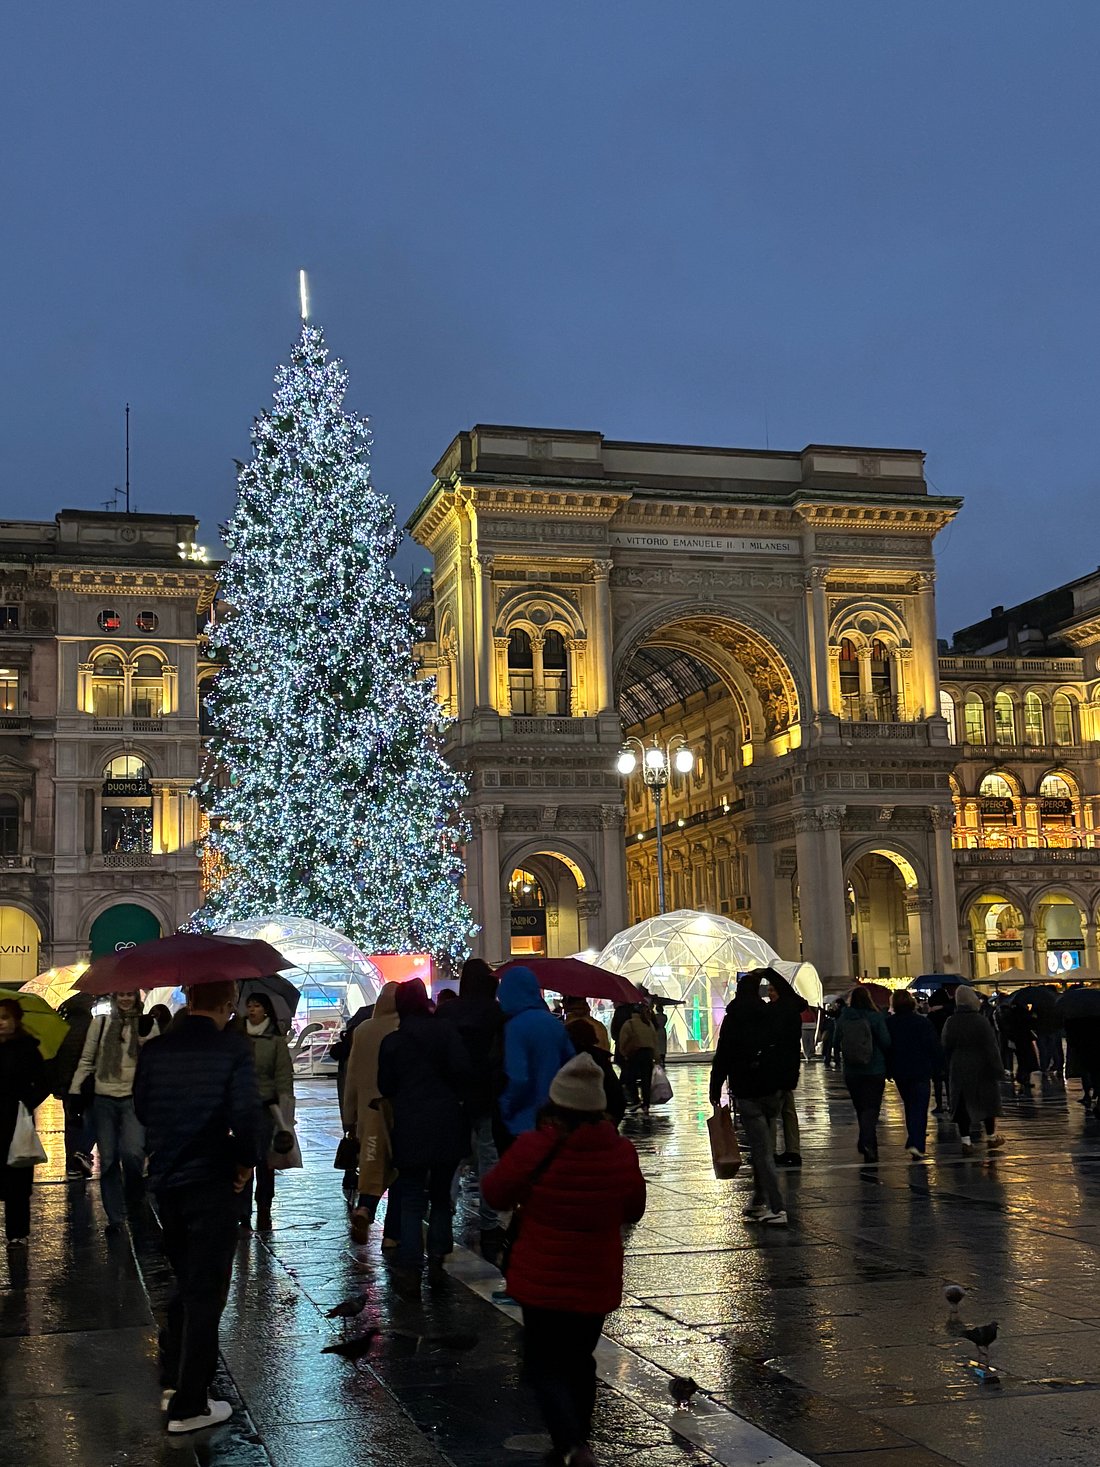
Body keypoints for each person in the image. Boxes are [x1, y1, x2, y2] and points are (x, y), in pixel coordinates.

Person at [482, 1053, 646, 1467]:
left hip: (543, 1276)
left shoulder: (535, 1147)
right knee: (579, 1359)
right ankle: (576, 1444)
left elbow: (495, 1193)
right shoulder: (620, 1150)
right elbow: (633, 1207)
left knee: (542, 1364)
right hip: (596, 1273)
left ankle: (572, 1445)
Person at [133, 981, 261, 1435]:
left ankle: (173, 1377)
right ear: (227, 1004)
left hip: (168, 1180)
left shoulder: (157, 1050)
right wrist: (246, 1163)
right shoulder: (233, 1050)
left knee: (186, 1281)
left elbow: (145, 1109)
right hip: (212, 1178)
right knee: (208, 1292)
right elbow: (246, 1115)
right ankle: (191, 1404)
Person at [377, 977, 472, 1289]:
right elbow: (462, 1072)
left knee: (412, 1196)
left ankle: (412, 1263)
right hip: (446, 1121)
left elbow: (385, 1086)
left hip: (410, 1124)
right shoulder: (446, 1032)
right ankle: (439, 1255)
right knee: (442, 1193)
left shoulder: (393, 1041)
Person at [709, 968, 802, 1226]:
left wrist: (715, 1087)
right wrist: (771, 973)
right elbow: (794, 1001)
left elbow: (723, 1056)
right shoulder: (770, 1013)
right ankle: (759, 1201)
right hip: (772, 1089)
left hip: (748, 1090)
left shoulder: (734, 1017)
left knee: (762, 1152)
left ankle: (777, 1207)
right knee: (765, 1146)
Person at [70, 991, 158, 1233]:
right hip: (103, 1098)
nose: (125, 999)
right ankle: (116, 1218)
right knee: (108, 1160)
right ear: (114, 998)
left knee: (132, 1154)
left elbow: (155, 1060)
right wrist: (76, 1093)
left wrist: (144, 1042)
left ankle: (134, 1198)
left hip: (133, 1098)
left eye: (130, 994)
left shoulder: (147, 1023)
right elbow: (87, 1060)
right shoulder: (100, 1024)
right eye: (121, 995)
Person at [438, 958, 508, 1263]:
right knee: (488, 1152)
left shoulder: (447, 1011)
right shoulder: (496, 1012)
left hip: (454, 1092)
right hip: (486, 1091)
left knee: (451, 1155)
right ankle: (489, 1221)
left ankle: (445, 1208)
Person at [344, 981, 402, 1247]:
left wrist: (349, 1117)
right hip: (398, 1110)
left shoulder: (363, 1030)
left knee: (371, 1168)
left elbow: (352, 1075)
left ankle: (365, 1209)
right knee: (400, 1170)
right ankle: (391, 1235)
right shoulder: (402, 1028)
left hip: (369, 1113)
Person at [497, 967, 574, 1147]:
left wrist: (506, 1105)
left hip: (523, 1121)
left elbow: (519, 1078)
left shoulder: (515, 1027)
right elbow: (571, 1063)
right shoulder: (554, 1024)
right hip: (555, 1116)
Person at [239, 992, 294, 1232]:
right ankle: (242, 1210)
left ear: (266, 1010)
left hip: (265, 1106)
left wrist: (285, 1112)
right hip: (241, 1105)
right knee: (242, 1157)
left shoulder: (274, 1040)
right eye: (249, 1006)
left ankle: (264, 1205)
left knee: (263, 1160)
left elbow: (283, 1075)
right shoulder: (237, 1036)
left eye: (257, 1006)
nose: (252, 1010)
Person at [0, 998, 48, 1245]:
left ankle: (18, 1232)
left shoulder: (27, 1048)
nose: (1, 1023)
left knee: (17, 1178)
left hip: (16, 1119)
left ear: (16, 1020)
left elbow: (42, 1082)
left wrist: (26, 1103)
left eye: (5, 1017)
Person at [942, 985, 1005, 1153]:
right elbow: (991, 1046)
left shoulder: (951, 1021)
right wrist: (998, 1068)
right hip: (982, 1066)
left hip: (959, 1065)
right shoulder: (981, 1021)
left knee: (962, 1103)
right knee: (987, 1102)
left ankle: (966, 1141)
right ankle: (991, 1136)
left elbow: (945, 1045)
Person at [835, 987, 891, 1162]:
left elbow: (836, 1041)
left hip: (852, 1070)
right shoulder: (875, 1017)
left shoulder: (844, 1016)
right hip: (874, 1069)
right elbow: (886, 1042)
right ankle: (867, 1141)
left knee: (860, 1107)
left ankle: (867, 1142)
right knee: (871, 1108)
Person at [885, 989, 943, 1159]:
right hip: (921, 1069)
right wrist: (938, 1066)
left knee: (910, 1105)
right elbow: (933, 1046)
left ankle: (913, 1138)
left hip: (900, 1070)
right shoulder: (921, 1022)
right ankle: (916, 1143)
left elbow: (887, 1048)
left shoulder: (890, 1023)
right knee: (919, 1106)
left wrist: (888, 1069)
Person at [50, 991, 96, 1179]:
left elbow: (56, 1059)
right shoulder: (92, 1026)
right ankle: (83, 1152)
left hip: (67, 1085)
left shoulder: (62, 1028)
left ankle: (72, 1164)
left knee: (71, 1123)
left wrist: (57, 1086)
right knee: (92, 1121)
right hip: (87, 1083)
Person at [767, 974, 805, 1168]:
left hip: (777, 1067)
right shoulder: (793, 1011)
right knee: (788, 1110)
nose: (769, 994)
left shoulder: (777, 1012)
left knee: (773, 1111)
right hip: (790, 1067)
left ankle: (771, 1151)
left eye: (772, 990)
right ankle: (793, 1150)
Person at [566, 1019, 626, 1125]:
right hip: (602, 1120)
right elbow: (616, 1093)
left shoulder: (567, 1059)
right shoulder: (601, 1058)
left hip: (576, 1121)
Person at [617, 1002, 659, 1115]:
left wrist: (624, 1053)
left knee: (630, 1078)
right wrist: (656, 1056)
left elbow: (623, 1040)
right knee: (646, 1080)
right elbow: (654, 1040)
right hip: (648, 1054)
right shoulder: (648, 1023)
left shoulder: (629, 1024)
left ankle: (635, 1100)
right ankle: (646, 1103)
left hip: (635, 1054)